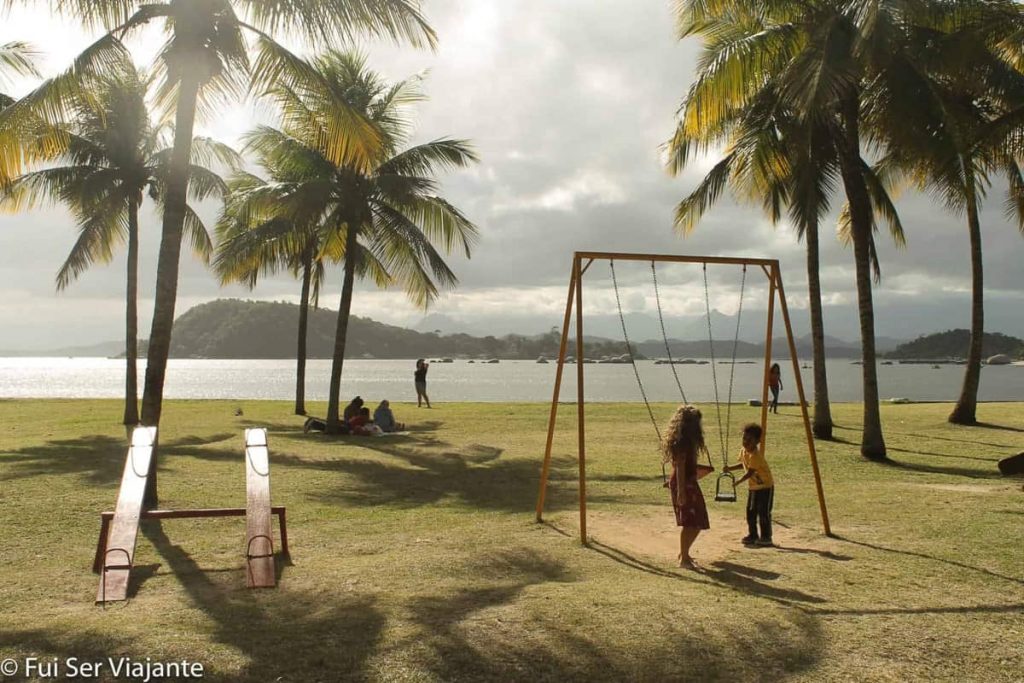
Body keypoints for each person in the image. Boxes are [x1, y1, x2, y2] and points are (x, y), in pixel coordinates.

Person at [662, 405, 715, 568]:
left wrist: (700, 470)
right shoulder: (682, 443)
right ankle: (683, 558)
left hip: (688, 482)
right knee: (690, 521)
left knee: (699, 519)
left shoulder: (689, 442)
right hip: (684, 484)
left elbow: (686, 466)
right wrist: (681, 490)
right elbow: (679, 467)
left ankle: (684, 552)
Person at [724, 423, 775, 547]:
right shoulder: (744, 452)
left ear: (757, 441)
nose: (746, 442)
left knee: (763, 512)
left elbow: (749, 473)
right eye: (744, 439)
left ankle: (766, 537)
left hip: (765, 487)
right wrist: (729, 468)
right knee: (750, 512)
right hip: (753, 488)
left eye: (749, 440)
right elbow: (743, 465)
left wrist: (738, 482)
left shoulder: (756, 456)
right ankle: (753, 535)